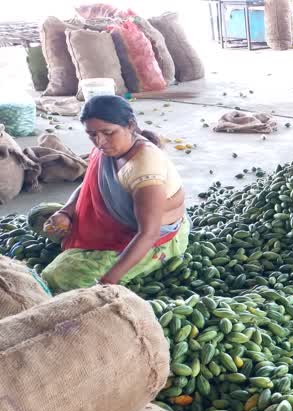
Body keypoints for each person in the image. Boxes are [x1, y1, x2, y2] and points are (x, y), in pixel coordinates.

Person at [41, 95, 189, 293]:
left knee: (56, 276)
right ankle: (86, 248)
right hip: (113, 222)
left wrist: (107, 282)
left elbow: (148, 233)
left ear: (130, 126)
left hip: (152, 238)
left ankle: (155, 258)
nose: (100, 141)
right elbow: (88, 186)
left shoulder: (144, 168)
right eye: (92, 134)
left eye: (108, 133)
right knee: (40, 214)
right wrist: (66, 212)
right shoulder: (108, 148)